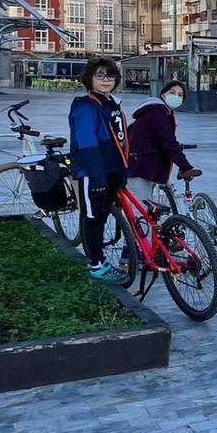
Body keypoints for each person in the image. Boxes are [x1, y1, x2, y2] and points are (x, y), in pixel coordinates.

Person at [69, 58, 130, 283]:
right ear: (89, 79)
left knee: (102, 216)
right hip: (92, 173)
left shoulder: (112, 103)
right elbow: (86, 144)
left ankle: (99, 259)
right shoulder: (86, 105)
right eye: (100, 75)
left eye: (110, 76)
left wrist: (122, 171)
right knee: (92, 218)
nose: (106, 80)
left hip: (112, 170)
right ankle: (96, 265)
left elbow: (120, 139)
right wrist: (97, 176)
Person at [126, 80, 195, 202]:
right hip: (140, 166)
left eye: (180, 95)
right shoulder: (158, 112)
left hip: (144, 164)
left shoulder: (157, 111)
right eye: (172, 92)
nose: (176, 97)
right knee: (140, 212)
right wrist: (185, 166)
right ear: (163, 94)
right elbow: (168, 142)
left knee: (147, 209)